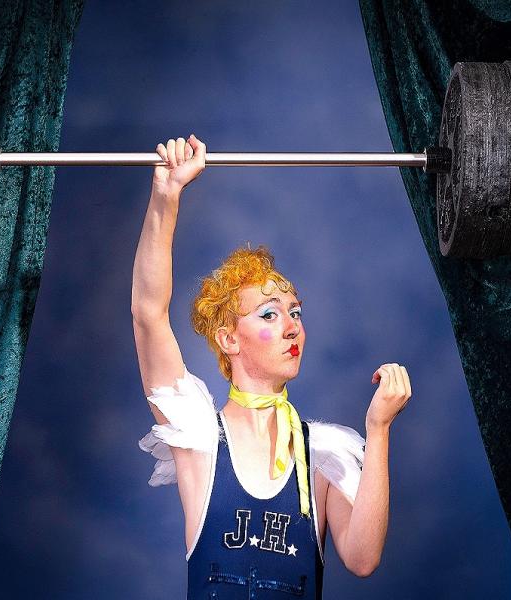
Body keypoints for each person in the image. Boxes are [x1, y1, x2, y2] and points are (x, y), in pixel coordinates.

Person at [133, 134, 412, 599]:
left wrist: (378, 429)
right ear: (228, 339)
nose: (291, 327)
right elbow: (148, 313)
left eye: (295, 313)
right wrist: (166, 194)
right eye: (269, 314)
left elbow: (363, 559)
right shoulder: (199, 439)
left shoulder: (322, 454)